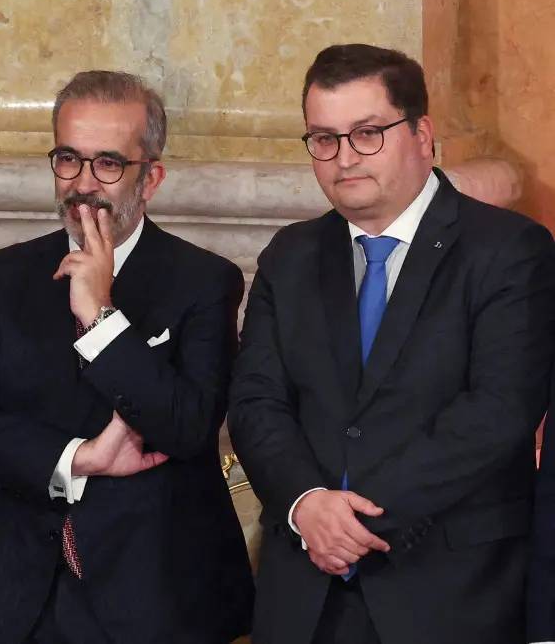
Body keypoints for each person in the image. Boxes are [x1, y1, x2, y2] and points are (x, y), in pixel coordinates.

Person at [228, 44, 555, 644]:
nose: (343, 158)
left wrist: (354, 518)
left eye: (367, 133)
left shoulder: (510, 251)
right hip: (304, 595)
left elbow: (499, 412)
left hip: (448, 592)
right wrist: (306, 506)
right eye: (323, 139)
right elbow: (255, 401)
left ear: (423, 134)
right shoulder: (290, 255)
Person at [0, 71, 254, 644]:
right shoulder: (3, 276)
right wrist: (78, 458)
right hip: (17, 599)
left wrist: (102, 317)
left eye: (108, 163)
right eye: (68, 159)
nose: (83, 183)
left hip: (156, 601)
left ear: (150, 177)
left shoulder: (205, 281)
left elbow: (187, 426)